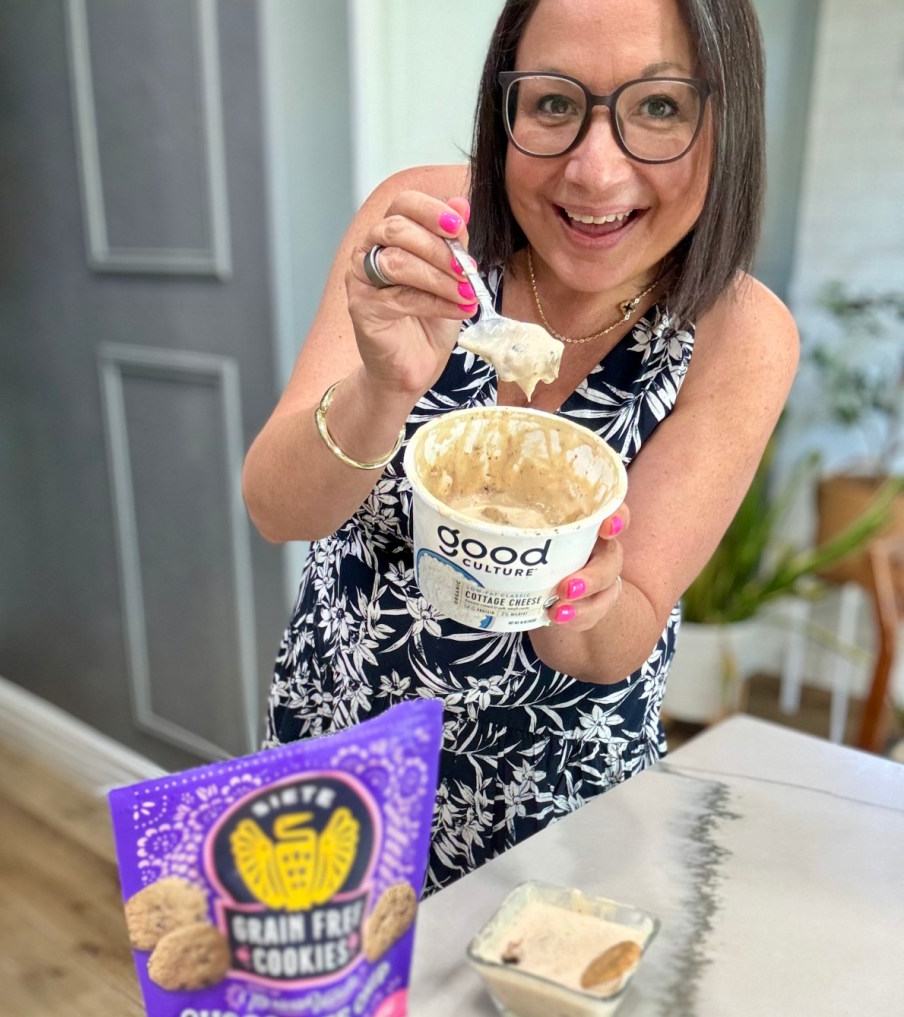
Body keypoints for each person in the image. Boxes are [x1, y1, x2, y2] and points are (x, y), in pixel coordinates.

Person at [242, 0, 798, 894]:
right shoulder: (427, 229)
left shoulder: (741, 336)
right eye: (553, 103)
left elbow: (610, 645)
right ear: (504, 105)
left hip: (555, 815)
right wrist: (383, 388)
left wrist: (589, 594)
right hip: (337, 760)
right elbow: (277, 508)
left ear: (726, 123)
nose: (594, 170)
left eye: (659, 108)